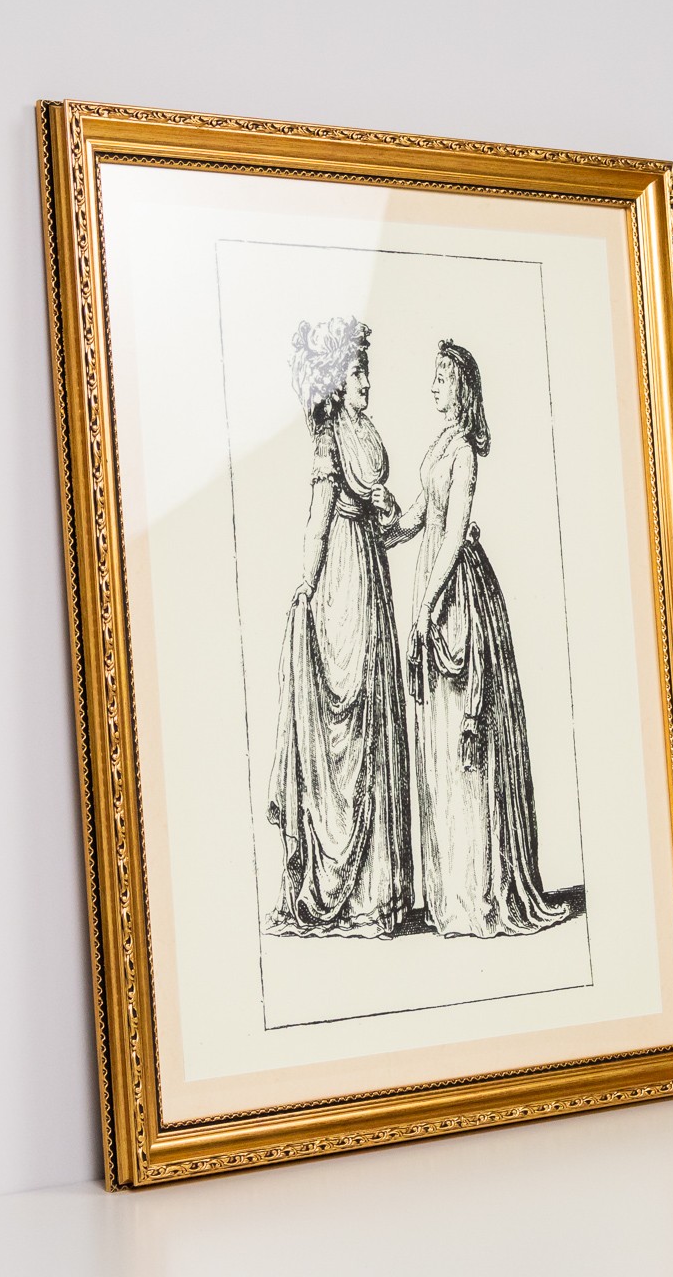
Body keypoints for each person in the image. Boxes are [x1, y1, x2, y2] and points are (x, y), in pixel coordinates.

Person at [384, 339, 570, 938]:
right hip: (433, 585)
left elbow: (453, 531)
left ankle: (477, 893)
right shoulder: (440, 443)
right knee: (438, 742)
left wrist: (426, 606)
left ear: (462, 387)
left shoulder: (464, 450)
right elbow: (419, 516)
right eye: (434, 376)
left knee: (465, 740)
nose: (433, 386)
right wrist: (378, 528)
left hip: (458, 595)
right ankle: (450, 897)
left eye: (442, 377)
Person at [264, 318, 412, 938]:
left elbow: (385, 520)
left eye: (367, 371)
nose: (366, 382)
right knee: (350, 714)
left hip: (370, 570)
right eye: (356, 372)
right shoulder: (330, 438)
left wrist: (414, 520)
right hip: (343, 583)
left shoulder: (365, 431)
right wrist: (305, 585)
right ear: (335, 380)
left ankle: (382, 893)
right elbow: (319, 520)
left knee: (377, 713)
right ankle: (352, 892)